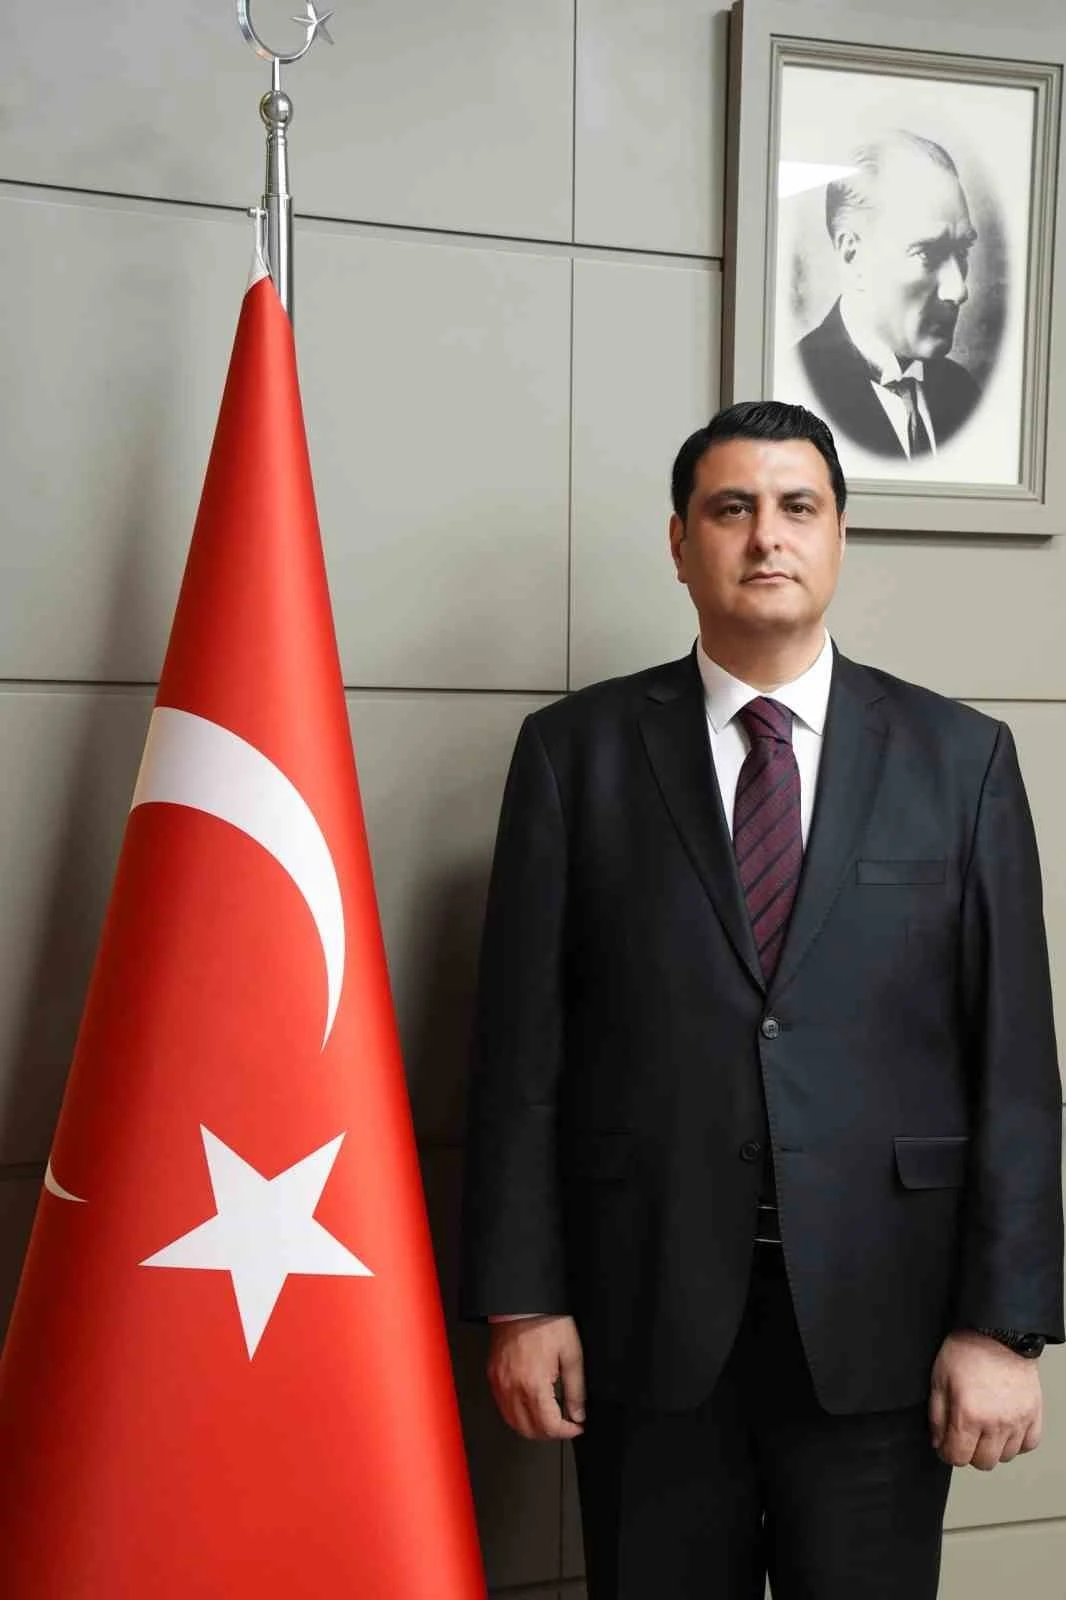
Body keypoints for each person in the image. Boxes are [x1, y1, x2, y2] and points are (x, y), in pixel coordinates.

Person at [460, 399, 1064, 1599]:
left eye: (798, 507)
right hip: (643, 1322)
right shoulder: (573, 755)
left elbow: (1013, 1066)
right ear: (679, 543)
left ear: (839, 535)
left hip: (887, 1329)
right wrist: (521, 1304)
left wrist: (1002, 1325)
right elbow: (519, 1057)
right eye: (731, 508)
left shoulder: (962, 759)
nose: (766, 536)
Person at [796, 131, 982, 460]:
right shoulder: (798, 391)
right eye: (928, 253)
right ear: (852, 255)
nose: (959, 291)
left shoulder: (962, 393)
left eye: (962, 251)